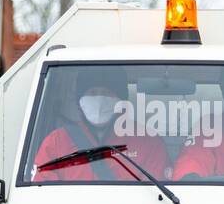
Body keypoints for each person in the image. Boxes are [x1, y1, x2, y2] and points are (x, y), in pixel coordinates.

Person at [31, 66, 167, 182]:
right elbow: (42, 192)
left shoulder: (148, 141)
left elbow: (154, 196)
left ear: (121, 100)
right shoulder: (57, 142)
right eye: (92, 93)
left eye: (107, 93)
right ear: (80, 100)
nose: (99, 100)